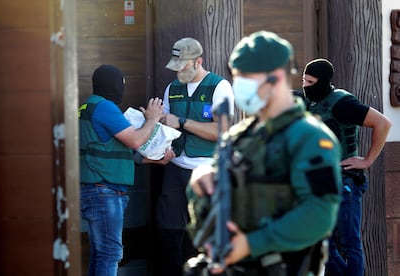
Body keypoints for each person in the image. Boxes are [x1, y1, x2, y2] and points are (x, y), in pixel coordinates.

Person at [188, 31, 343, 276]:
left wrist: (250, 244)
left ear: (277, 77)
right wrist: (200, 179)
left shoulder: (310, 138)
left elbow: (319, 214)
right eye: (236, 77)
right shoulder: (239, 135)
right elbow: (209, 194)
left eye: (247, 77)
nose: (239, 86)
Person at [302, 58, 392, 276]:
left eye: (310, 81)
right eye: (303, 80)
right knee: (322, 244)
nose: (305, 86)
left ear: (322, 82)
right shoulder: (307, 101)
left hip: (346, 181)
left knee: (350, 243)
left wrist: (367, 160)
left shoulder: (343, 103)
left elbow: (383, 123)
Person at [79, 64, 170, 275]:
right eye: (121, 84)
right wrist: (152, 119)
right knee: (110, 254)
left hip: (96, 189)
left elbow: (111, 152)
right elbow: (136, 140)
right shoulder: (105, 107)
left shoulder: (88, 107)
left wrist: (156, 161)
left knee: (101, 253)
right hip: (104, 191)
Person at [156, 37, 235, 276]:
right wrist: (152, 124)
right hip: (175, 167)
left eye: (184, 66)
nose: (179, 71)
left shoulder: (220, 86)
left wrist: (181, 122)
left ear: (198, 61)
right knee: (168, 230)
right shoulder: (173, 88)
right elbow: (166, 128)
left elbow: (221, 130)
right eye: (176, 66)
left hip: (206, 170)